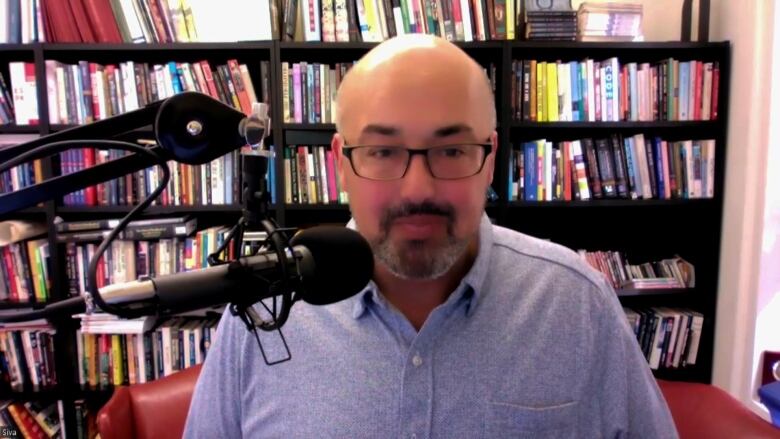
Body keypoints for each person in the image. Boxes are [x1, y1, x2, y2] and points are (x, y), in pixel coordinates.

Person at [184, 34, 678, 438]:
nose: (416, 188)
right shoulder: (263, 313)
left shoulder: (575, 304)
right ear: (341, 164)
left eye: (452, 150)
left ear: (490, 159)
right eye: (381, 152)